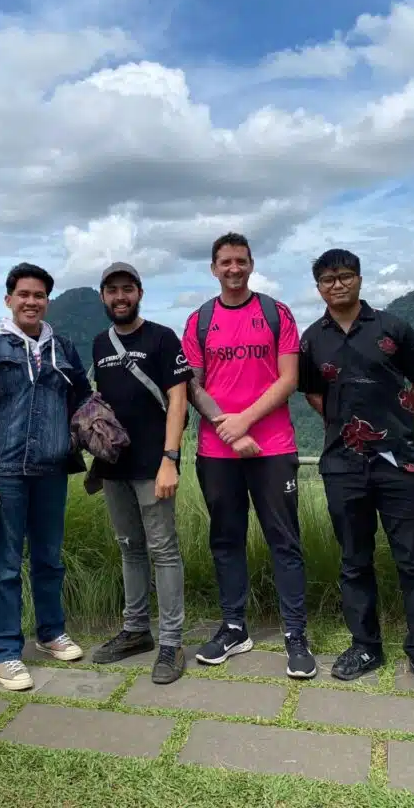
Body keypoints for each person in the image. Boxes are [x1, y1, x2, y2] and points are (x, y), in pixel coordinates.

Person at [298, 248, 414, 695]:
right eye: (328, 279)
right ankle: (366, 645)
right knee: (353, 561)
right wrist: (350, 429)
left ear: (360, 280)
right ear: (319, 287)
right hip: (342, 465)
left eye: (345, 276)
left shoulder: (392, 328)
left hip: (400, 463)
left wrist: (399, 424)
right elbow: (313, 394)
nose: (337, 284)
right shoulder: (312, 339)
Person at [182, 233, 317, 679]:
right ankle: (234, 627)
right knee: (226, 538)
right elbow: (193, 385)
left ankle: (296, 634)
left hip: (273, 447)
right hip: (217, 451)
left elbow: (289, 379)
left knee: (285, 540)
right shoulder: (200, 320)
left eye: (241, 261)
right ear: (213, 267)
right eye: (225, 262)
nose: (234, 269)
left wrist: (244, 422)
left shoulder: (276, 313)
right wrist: (229, 427)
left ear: (251, 264)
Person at [0, 263, 92, 691]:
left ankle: (51, 632)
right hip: (4, 472)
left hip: (51, 471)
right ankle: (5, 651)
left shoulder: (65, 349)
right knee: (4, 565)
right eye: (23, 294)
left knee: (49, 558)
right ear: (9, 300)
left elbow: (82, 402)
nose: (31, 301)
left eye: (39, 295)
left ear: (47, 301)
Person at [90, 263, 192, 684]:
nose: (120, 296)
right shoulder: (100, 343)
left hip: (155, 465)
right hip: (115, 466)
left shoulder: (163, 338)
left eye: (126, 289)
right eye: (112, 290)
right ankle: (136, 631)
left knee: (163, 549)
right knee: (130, 546)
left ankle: (171, 642)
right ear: (103, 297)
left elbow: (178, 400)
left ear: (140, 293)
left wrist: (170, 458)